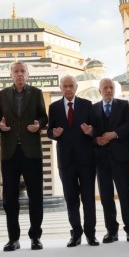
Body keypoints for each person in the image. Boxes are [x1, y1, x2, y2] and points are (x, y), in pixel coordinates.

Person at [0, 61, 48, 252]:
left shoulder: (37, 93)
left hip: (31, 151)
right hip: (9, 152)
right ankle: (13, 239)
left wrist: (38, 125)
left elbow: (43, 116)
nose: (19, 74)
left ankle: (35, 238)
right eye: (16, 71)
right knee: (10, 199)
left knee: (36, 197)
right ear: (11, 75)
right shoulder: (2, 94)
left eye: (22, 71)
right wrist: (0, 125)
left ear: (28, 74)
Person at [47, 75, 98, 247]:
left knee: (89, 198)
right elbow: (49, 131)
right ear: (61, 88)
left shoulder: (86, 104)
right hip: (66, 161)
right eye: (65, 86)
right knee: (71, 199)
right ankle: (76, 233)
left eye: (71, 86)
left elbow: (95, 128)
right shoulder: (53, 107)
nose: (68, 89)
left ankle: (91, 234)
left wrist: (90, 131)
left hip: (86, 161)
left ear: (76, 87)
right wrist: (54, 133)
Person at [91, 78, 129, 243]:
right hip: (101, 158)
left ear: (114, 90)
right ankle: (111, 231)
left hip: (120, 157)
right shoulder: (93, 108)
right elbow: (91, 131)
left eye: (111, 87)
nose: (108, 90)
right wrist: (96, 139)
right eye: (105, 87)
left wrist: (114, 134)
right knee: (105, 196)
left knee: (125, 194)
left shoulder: (123, 105)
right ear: (100, 90)